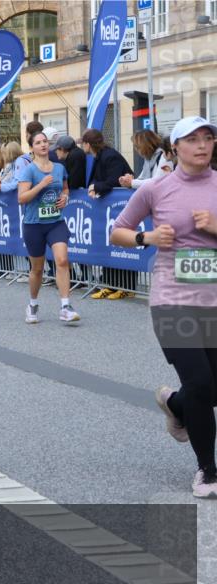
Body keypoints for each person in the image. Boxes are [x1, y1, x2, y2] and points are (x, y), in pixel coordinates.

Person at [110, 116, 217, 498]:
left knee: (209, 389)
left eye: (208, 137)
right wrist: (147, 236)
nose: (203, 145)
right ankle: (207, 471)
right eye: (193, 139)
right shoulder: (156, 189)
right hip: (171, 300)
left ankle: (174, 403)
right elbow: (117, 230)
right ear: (175, 148)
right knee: (201, 384)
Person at [17, 131, 80, 324]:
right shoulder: (29, 171)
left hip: (56, 222)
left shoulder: (59, 168)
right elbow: (21, 198)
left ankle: (65, 306)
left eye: (45, 141)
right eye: (38, 142)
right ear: (32, 148)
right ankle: (33, 304)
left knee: (62, 260)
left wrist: (65, 198)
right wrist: (41, 185)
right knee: (37, 269)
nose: (43, 145)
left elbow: (66, 188)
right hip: (34, 224)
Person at [83, 128, 136, 299]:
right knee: (109, 245)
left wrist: (96, 187)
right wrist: (94, 188)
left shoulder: (110, 155)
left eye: (83, 143)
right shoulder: (99, 156)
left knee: (122, 246)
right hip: (109, 208)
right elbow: (99, 179)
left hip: (122, 207)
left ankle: (125, 286)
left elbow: (114, 180)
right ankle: (110, 284)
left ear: (88, 144)